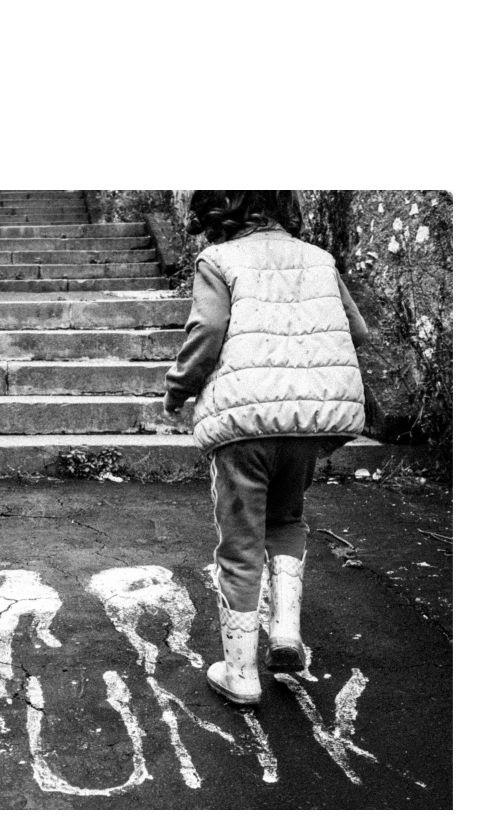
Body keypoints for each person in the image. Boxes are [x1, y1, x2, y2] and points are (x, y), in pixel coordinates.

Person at [163, 191, 371, 706]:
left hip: (245, 423)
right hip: (307, 423)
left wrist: (179, 387)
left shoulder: (218, 260)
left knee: (240, 544)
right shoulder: (319, 258)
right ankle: (284, 631)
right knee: (286, 519)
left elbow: (208, 330)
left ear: (218, 210)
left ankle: (241, 674)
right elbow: (358, 332)